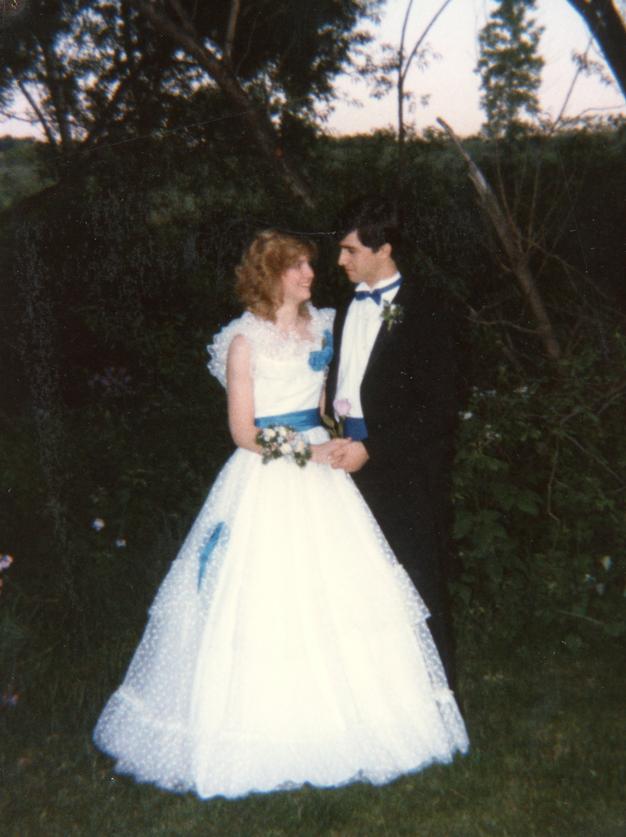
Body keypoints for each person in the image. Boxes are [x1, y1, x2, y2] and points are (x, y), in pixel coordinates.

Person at [93, 229, 468, 801]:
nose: (311, 275)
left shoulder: (326, 326)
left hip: (326, 473)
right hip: (269, 474)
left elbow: (333, 399)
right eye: (297, 267)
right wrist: (304, 452)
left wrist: (343, 440)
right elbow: (243, 432)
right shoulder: (243, 341)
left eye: (310, 266)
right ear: (269, 275)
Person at [326, 197, 462, 693]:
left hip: (402, 470)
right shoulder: (348, 307)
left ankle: (435, 702)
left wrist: (373, 448)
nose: (340, 260)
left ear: (383, 249)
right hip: (345, 462)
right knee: (358, 584)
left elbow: (440, 408)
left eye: (350, 250)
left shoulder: (429, 308)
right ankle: (375, 695)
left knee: (415, 586)